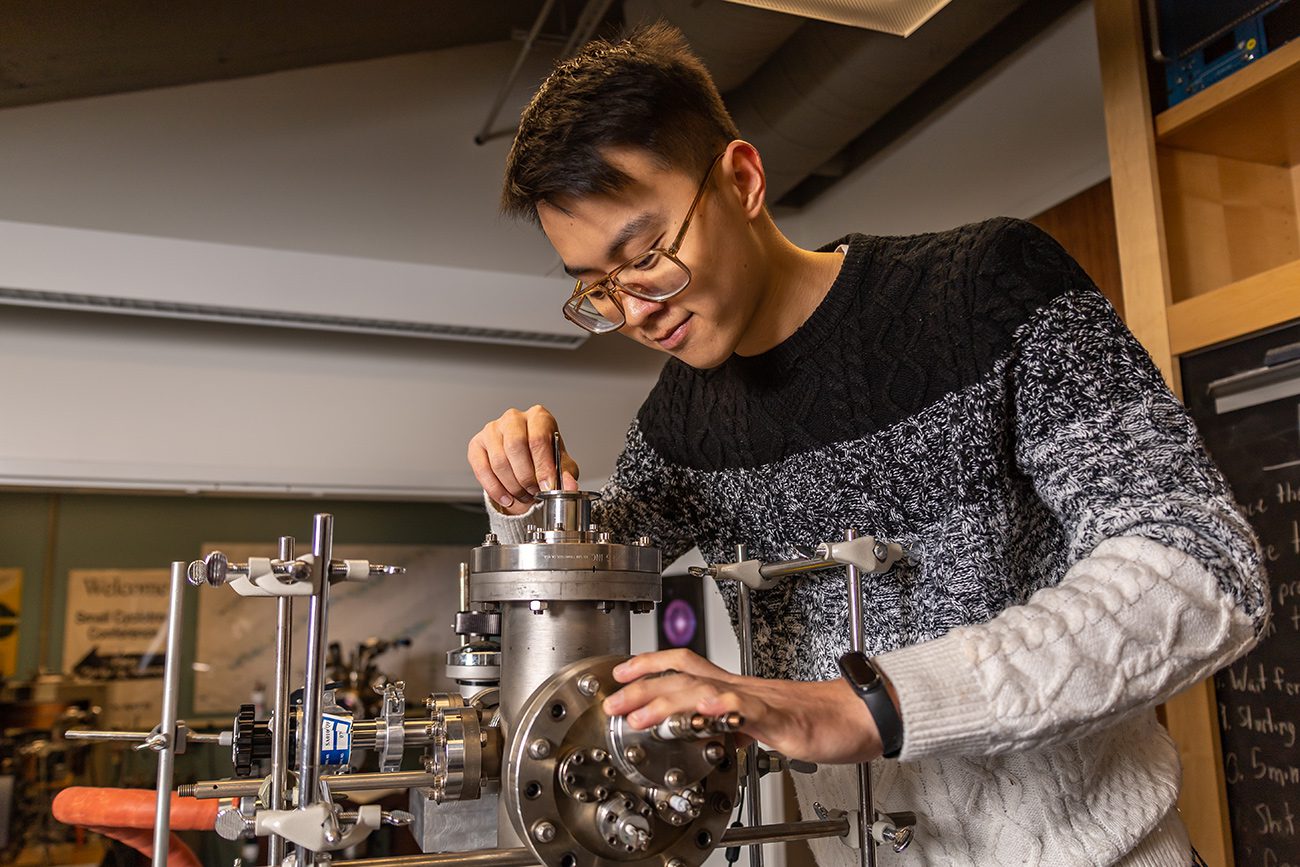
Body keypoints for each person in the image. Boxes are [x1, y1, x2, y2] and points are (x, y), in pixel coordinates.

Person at [465, 22, 1268, 867]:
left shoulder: (986, 288)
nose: (634, 311)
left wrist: (866, 706)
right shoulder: (679, 422)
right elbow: (581, 568)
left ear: (741, 179)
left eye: (648, 255)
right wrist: (521, 494)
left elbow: (1201, 564)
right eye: (597, 287)